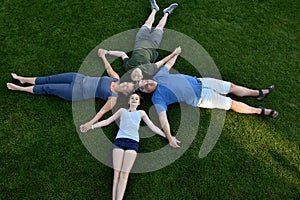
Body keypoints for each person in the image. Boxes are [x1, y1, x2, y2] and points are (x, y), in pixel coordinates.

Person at [138, 52, 279, 148]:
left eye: (145, 81)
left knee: (231, 87)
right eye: (144, 87)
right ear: (147, 92)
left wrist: (176, 53)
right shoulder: (158, 98)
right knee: (231, 104)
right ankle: (260, 111)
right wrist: (169, 137)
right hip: (202, 98)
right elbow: (163, 118)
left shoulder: (159, 76)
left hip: (202, 82)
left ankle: (258, 93)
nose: (147, 84)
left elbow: (168, 65)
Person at [7, 49, 135, 131]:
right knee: (48, 79)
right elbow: (108, 68)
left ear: (125, 93)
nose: (125, 85)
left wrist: (89, 124)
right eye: (127, 84)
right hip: (77, 77)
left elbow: (101, 113)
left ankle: (20, 88)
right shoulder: (116, 78)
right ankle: (23, 79)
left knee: (48, 88)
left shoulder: (113, 98)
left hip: (75, 91)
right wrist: (103, 56)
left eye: (126, 88)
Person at [80, 93, 170, 200]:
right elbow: (107, 121)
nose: (134, 100)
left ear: (139, 103)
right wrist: (90, 126)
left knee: (124, 174)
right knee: (116, 173)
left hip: (132, 143)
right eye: (132, 98)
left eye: (136, 99)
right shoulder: (122, 111)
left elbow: (152, 127)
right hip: (119, 142)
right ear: (128, 101)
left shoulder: (141, 113)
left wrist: (168, 137)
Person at [102, 0, 179, 81]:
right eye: (138, 77)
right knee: (160, 28)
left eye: (133, 76)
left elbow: (122, 54)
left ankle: (154, 10)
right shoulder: (149, 70)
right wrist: (174, 53)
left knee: (147, 24)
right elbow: (162, 61)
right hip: (153, 44)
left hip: (140, 40)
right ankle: (166, 13)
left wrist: (107, 52)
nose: (136, 74)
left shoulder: (129, 67)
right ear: (142, 76)